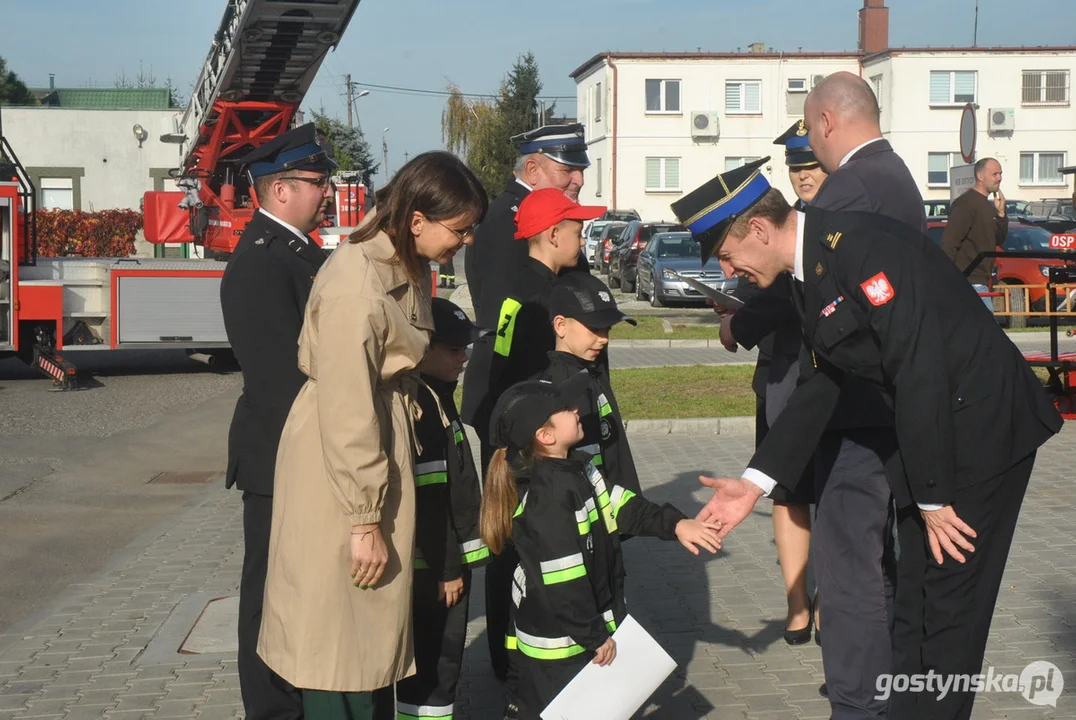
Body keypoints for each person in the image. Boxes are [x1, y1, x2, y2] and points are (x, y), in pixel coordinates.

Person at [677, 161, 1062, 720]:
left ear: (757, 231)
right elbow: (827, 379)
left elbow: (918, 368)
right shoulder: (813, 270)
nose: (731, 272)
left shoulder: (858, 249)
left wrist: (931, 499)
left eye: (729, 258)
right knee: (911, 603)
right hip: (929, 431)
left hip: (981, 432)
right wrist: (755, 482)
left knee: (949, 611)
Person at [702, 72, 928, 717]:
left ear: (825, 124)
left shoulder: (855, 187)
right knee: (871, 561)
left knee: (850, 564)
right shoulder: (893, 176)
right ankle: (877, 686)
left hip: (854, 407)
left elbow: (824, 303)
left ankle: (859, 701)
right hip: (871, 400)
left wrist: (740, 321)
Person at [256, 151, 488, 720]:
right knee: (338, 640)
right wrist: (363, 520)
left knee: (363, 639)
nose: (466, 241)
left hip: (371, 447)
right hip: (342, 471)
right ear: (416, 220)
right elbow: (346, 406)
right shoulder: (357, 283)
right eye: (459, 229)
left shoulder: (405, 267)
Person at [479, 375, 723, 720]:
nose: (577, 409)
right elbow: (564, 583)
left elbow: (623, 506)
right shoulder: (549, 499)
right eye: (564, 409)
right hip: (560, 649)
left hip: (580, 634)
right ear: (545, 436)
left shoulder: (578, 469)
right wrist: (593, 636)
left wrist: (677, 525)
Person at [461, 187, 605, 688]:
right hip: (535, 443)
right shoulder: (538, 295)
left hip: (526, 435)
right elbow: (513, 370)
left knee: (514, 542)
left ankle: (511, 653)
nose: (582, 238)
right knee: (523, 545)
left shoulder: (522, 284)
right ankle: (517, 656)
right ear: (552, 234)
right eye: (577, 229)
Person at [219, 122, 337, 720]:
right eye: (318, 182)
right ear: (280, 189)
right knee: (268, 593)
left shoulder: (296, 252)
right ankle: (269, 709)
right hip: (281, 456)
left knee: (295, 587)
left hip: (300, 453)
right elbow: (279, 381)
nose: (328, 192)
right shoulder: (263, 262)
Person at [720, 120, 829, 648]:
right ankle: (796, 604)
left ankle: (830, 597)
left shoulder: (830, 225)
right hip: (781, 373)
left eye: (810, 166)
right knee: (786, 491)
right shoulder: (788, 219)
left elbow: (787, 290)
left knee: (833, 492)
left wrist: (738, 324)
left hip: (822, 377)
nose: (803, 177)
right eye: (795, 168)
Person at [395, 297, 490, 720]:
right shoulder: (425, 409)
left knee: (443, 661)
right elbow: (431, 500)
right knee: (435, 664)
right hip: (434, 568)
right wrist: (448, 569)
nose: (465, 358)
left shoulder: (439, 396)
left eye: (466, 348)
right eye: (454, 350)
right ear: (423, 349)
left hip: (443, 563)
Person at [464, 123, 591, 321]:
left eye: (581, 170)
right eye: (567, 170)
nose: (579, 180)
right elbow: (502, 315)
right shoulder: (507, 221)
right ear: (532, 170)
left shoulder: (548, 214)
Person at [539, 272, 642, 498]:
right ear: (561, 325)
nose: (604, 338)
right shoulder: (558, 390)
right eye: (595, 329)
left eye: (607, 330)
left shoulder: (593, 373)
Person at [941, 157, 1008, 310]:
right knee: (987, 330)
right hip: (968, 280)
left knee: (979, 331)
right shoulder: (966, 204)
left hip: (982, 281)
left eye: (1000, 174)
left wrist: (1001, 213)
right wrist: (949, 279)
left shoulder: (988, 205)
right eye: (995, 174)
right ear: (980, 176)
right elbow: (949, 243)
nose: (999, 178)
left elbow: (999, 239)